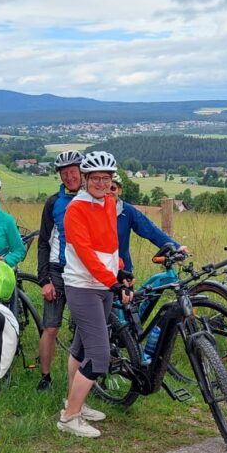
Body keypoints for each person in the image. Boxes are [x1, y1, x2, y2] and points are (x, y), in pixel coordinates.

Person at [57, 151, 130, 437]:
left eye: (107, 178)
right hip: (83, 287)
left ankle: (74, 401)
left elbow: (110, 244)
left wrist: (120, 269)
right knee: (99, 357)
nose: (102, 183)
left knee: (81, 349)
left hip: (104, 284)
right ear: (85, 179)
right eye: (95, 178)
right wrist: (112, 281)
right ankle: (69, 418)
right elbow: (85, 253)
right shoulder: (75, 209)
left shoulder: (109, 203)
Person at [34, 150, 84, 391]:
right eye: (64, 173)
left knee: (83, 328)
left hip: (83, 271)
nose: (69, 177)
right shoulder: (54, 202)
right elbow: (43, 241)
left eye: (73, 172)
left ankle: (80, 381)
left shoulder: (90, 198)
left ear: (82, 172)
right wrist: (44, 280)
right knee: (51, 327)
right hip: (57, 269)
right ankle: (45, 378)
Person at [111, 172, 186, 274]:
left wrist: (176, 247)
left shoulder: (127, 211)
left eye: (112, 188)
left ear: (119, 191)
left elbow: (149, 229)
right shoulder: (92, 211)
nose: (108, 192)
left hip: (123, 271)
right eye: (105, 188)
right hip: (96, 272)